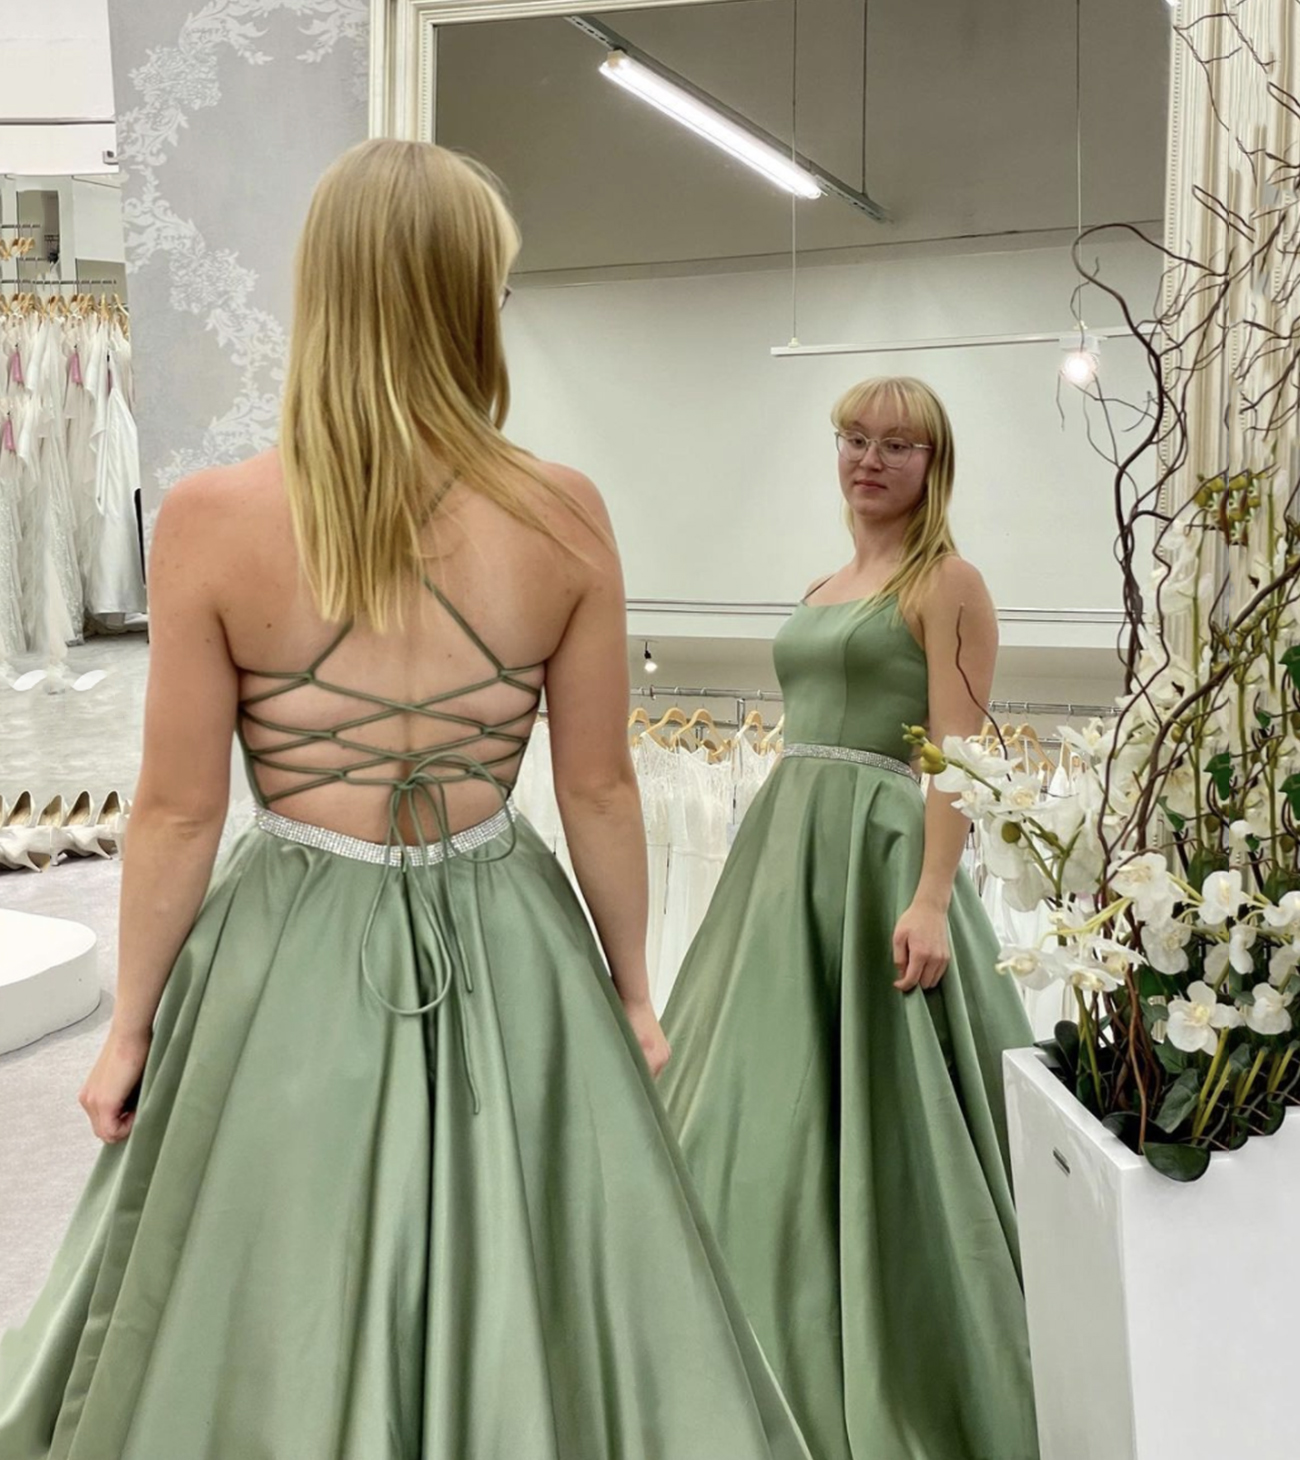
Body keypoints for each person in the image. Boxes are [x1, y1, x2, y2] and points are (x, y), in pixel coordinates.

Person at [0, 140, 809, 1460]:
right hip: (509, 935)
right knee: (542, 1271)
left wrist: (130, 1026)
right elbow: (598, 786)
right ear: (466, 299)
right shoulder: (565, 514)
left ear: (325, 295)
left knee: (271, 1281)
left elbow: (177, 812)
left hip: (286, 950)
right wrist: (631, 992)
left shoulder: (211, 517)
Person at [659, 375, 1040, 1460]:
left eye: (897, 445)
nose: (870, 460)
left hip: (879, 857)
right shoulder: (822, 585)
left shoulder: (949, 582)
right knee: (755, 1099)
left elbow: (959, 756)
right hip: (786, 856)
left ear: (934, 464)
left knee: (891, 1110)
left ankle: (898, 1349)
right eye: (854, 439)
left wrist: (932, 896)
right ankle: (741, 1336)